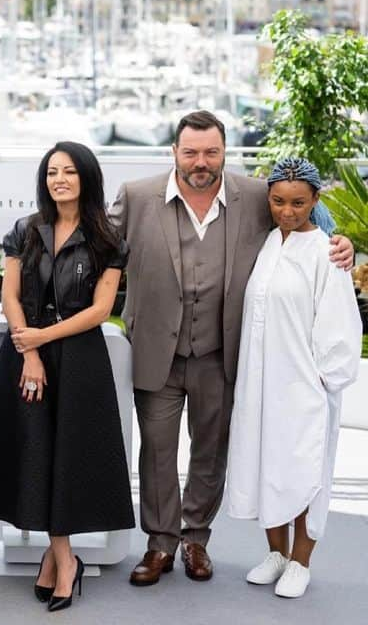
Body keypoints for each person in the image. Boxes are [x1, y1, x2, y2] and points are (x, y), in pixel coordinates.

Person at [110, 111, 354, 586]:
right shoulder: (137, 197)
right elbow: (95, 242)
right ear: (174, 153)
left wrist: (340, 241)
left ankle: (195, 539)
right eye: (191, 152)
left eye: (211, 152)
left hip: (222, 355)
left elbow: (309, 213)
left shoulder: (255, 196)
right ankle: (159, 545)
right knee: (156, 453)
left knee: (211, 453)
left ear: (225, 153)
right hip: (157, 351)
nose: (201, 162)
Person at [0, 142, 135, 611]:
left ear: (86, 178)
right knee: (36, 456)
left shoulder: (108, 240)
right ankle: (64, 560)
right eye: (52, 172)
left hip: (80, 360)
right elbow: (10, 299)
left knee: (67, 460)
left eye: (69, 172)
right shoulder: (25, 230)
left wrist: (41, 339)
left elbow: (101, 310)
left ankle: (58, 560)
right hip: (26, 355)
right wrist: (32, 351)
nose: (59, 179)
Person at [223, 157, 361, 598]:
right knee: (268, 464)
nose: (288, 211)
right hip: (262, 383)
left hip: (306, 387)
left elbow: (340, 326)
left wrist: (323, 383)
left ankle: (301, 561)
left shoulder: (326, 253)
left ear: (316, 199)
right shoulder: (266, 246)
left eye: (299, 202)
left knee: (306, 471)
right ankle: (276, 553)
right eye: (279, 201)